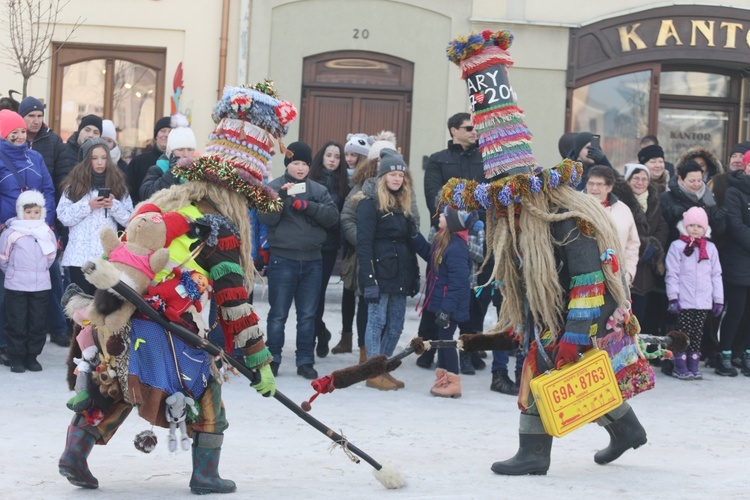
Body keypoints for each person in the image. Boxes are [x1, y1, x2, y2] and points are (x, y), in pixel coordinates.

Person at [57, 82, 287, 494]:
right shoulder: (221, 227)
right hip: (173, 327)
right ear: (237, 192)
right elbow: (234, 301)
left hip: (125, 317)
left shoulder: (164, 202)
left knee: (118, 384)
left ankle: (75, 453)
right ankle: (205, 475)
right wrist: (260, 360)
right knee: (208, 398)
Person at [446, 29, 652, 476]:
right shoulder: (518, 221)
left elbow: (588, 281)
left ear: (529, 190)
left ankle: (536, 453)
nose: (502, 206)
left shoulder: (565, 220)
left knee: (556, 372)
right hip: (555, 311)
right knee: (566, 376)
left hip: (589, 309)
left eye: (508, 197)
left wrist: (575, 336)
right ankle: (625, 429)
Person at [258, 141, 339, 380]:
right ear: (288, 164)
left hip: (313, 262)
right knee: (278, 315)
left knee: (307, 315)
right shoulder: (273, 187)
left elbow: (332, 217)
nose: (301, 168)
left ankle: (305, 360)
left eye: (304, 163)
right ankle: (272, 359)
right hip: (283, 261)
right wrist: (281, 198)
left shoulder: (317, 190)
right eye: (296, 163)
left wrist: (309, 206)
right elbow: (266, 218)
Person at [355, 148, 420, 390]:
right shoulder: (368, 205)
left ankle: (384, 367)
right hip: (380, 272)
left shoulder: (403, 205)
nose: (396, 178)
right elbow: (363, 245)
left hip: (400, 272)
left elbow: (413, 238)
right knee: (376, 320)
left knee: (396, 325)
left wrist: (434, 257)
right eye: (392, 174)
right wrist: (369, 279)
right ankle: (373, 371)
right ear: (382, 176)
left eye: (400, 175)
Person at [0, 109, 56, 365]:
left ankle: (27, 352)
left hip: (35, 233)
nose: (21, 135)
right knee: (8, 297)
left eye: (23, 131)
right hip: (6, 232)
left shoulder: (35, 157)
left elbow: (48, 190)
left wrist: (49, 223)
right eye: (15, 131)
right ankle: (7, 346)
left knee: (32, 299)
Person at [19, 97, 70, 348]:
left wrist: (50, 221)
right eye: (31, 116)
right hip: (15, 223)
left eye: (39, 115)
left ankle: (59, 327)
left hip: (44, 222)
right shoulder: (12, 142)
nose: (36, 120)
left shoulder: (52, 142)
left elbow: (60, 183)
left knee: (51, 276)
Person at [412, 206, 475, 398]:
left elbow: (458, 283)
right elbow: (431, 258)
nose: (439, 216)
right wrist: (415, 237)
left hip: (450, 305)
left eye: (444, 215)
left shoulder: (457, 249)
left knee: (447, 341)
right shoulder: (445, 241)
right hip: (443, 302)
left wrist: (446, 310)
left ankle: (454, 381)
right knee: (441, 340)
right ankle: (443, 378)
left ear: (452, 222)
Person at [57, 138, 133, 294]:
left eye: (104, 158)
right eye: (95, 158)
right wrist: (88, 206)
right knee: (80, 305)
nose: (100, 162)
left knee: (102, 306)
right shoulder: (73, 186)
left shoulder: (119, 185)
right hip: (79, 258)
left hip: (106, 257)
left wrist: (113, 206)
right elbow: (63, 216)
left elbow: (130, 221)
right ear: (86, 160)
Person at [0, 190, 56, 372]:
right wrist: (13, 273)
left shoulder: (46, 232)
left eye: (36, 212)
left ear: (42, 213)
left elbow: (51, 257)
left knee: (37, 322)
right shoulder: (12, 233)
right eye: (28, 212)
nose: (32, 216)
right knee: (17, 321)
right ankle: (16, 357)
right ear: (20, 211)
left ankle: (32, 356)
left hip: (40, 285)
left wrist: (39, 272)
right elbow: (3, 258)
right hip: (16, 284)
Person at [665, 206, 723, 379]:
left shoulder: (710, 248)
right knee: (683, 333)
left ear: (705, 228)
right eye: (691, 225)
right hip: (684, 299)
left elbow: (716, 274)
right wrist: (673, 297)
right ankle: (679, 363)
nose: (695, 229)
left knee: (697, 333)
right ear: (685, 226)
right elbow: (672, 273)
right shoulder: (677, 246)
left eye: (699, 226)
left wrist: (718, 299)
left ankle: (693, 364)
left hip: (703, 300)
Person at [331, 133, 372, 355]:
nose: (349, 158)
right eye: (346, 153)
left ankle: (363, 346)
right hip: (348, 240)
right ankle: (346, 337)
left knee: (362, 293)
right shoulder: (340, 176)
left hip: (360, 241)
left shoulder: (365, 180)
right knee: (348, 292)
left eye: (354, 154)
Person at [307, 141, 349, 358]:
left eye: (337, 156)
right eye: (329, 155)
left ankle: (316, 336)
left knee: (318, 293)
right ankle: (320, 331)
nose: (332, 159)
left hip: (329, 246)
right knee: (308, 294)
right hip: (307, 244)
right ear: (321, 157)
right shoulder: (309, 180)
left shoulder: (344, 184)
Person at [619, 164, 668, 320]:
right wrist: (640, 247)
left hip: (645, 270)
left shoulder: (654, 202)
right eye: (636, 178)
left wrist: (652, 246)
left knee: (639, 316)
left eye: (644, 179)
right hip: (625, 263)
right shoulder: (620, 202)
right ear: (628, 180)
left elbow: (663, 228)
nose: (640, 182)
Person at [717, 151, 750, 377]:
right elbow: (735, 225)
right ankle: (725, 353)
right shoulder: (734, 190)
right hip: (738, 260)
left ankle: (745, 353)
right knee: (736, 310)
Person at [423, 112, 483, 226]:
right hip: (447, 228)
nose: (474, 132)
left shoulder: (487, 158)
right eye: (469, 128)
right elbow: (433, 197)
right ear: (453, 131)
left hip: (480, 227)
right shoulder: (437, 159)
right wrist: (456, 220)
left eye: (477, 128)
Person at [585, 165, 640, 287]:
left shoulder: (623, 210)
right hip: (584, 280)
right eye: (591, 183)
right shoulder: (575, 207)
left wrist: (629, 274)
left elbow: (633, 245)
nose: (594, 188)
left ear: (609, 187)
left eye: (599, 184)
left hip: (617, 279)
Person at [660, 160, 725, 244]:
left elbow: (718, 232)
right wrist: (670, 214)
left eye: (699, 180)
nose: (697, 184)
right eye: (692, 181)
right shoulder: (667, 197)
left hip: (703, 250)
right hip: (675, 249)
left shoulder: (708, 198)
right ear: (681, 179)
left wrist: (717, 221)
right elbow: (660, 227)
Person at [139, 116, 197, 200]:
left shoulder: (199, 171)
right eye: (180, 150)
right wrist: (173, 172)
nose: (186, 154)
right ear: (170, 152)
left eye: (190, 149)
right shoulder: (157, 169)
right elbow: (146, 194)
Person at [127, 115, 171, 205]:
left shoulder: (181, 164)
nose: (166, 135)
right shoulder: (139, 161)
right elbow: (128, 193)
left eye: (170, 131)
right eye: (162, 131)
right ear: (156, 136)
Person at [55, 114, 102, 194]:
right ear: (80, 131)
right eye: (87, 130)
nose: (91, 135)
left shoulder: (101, 158)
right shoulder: (63, 150)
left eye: (96, 132)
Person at [708, 141, 750, 207]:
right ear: (729, 159)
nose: (737, 160)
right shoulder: (717, 181)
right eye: (734, 156)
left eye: (742, 156)